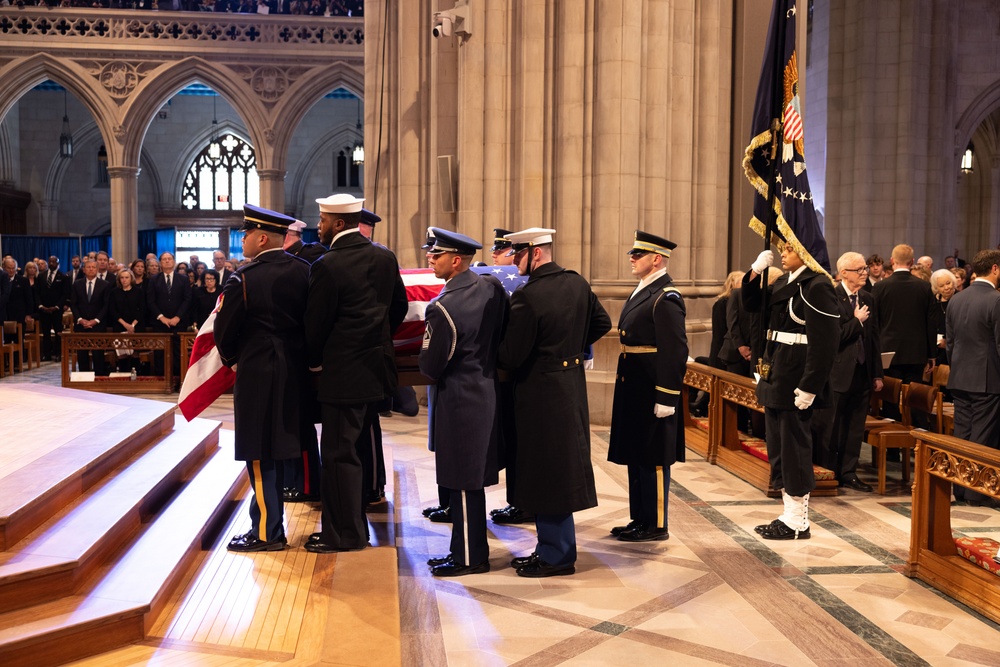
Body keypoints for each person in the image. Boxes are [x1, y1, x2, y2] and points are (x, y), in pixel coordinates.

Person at [498, 227, 611, 577]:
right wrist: (571, 349)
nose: (513, 260)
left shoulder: (527, 296)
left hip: (539, 391)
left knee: (547, 472)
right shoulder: (576, 283)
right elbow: (602, 323)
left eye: (517, 254)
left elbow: (512, 355)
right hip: (570, 385)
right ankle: (550, 548)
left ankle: (557, 556)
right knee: (560, 469)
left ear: (536, 253)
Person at [304, 193, 407, 553]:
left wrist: (315, 360)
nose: (318, 226)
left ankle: (344, 535)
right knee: (359, 448)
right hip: (376, 371)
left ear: (338, 223)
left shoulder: (328, 265)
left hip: (343, 374)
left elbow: (315, 325)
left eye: (321, 220)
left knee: (337, 454)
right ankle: (355, 527)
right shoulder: (384, 257)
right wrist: (377, 340)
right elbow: (400, 306)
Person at [215, 205, 312, 551]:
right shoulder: (305, 271)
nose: (242, 239)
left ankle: (267, 533)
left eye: (245, 234)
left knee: (259, 453)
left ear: (261, 237)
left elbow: (223, 332)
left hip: (257, 372)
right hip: (294, 371)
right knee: (283, 448)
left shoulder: (244, 277)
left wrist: (233, 361)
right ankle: (267, 526)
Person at [420, 228, 508, 576]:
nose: (429, 257)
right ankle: (464, 550)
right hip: (486, 391)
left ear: (455, 261)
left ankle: (470, 557)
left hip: (459, 399)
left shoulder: (443, 306)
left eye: (436, 254)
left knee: (463, 481)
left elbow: (430, 365)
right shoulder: (491, 288)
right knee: (468, 479)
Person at [742, 243, 839, 539]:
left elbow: (826, 342)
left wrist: (810, 385)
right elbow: (752, 305)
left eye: (789, 247)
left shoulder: (818, 284)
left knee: (795, 448)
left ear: (805, 252)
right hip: (778, 371)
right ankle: (788, 515)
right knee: (779, 448)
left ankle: (798, 522)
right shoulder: (785, 281)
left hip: (797, 376)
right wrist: (755, 272)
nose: (782, 252)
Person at [607, 231, 687, 542]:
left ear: (656, 259)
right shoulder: (645, 290)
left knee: (653, 455)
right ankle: (639, 518)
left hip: (652, 387)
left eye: (638, 254)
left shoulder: (667, 296)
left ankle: (655, 524)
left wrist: (667, 395)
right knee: (636, 452)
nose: (631, 257)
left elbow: (675, 349)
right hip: (634, 385)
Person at [818, 252, 882, 493]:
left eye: (865, 268)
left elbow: (874, 337)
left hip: (862, 372)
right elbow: (832, 337)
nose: (864, 273)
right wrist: (856, 321)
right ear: (843, 273)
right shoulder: (831, 297)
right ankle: (828, 470)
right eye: (859, 270)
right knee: (831, 425)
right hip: (837, 372)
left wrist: (876, 374)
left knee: (855, 427)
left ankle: (849, 472)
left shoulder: (868, 297)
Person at [946, 249, 1000, 508]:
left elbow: (950, 343)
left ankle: (961, 488)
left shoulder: (957, 298)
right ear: (995, 269)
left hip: (960, 378)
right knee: (982, 436)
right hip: (988, 380)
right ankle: (977, 493)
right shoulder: (996, 299)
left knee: (963, 435)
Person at [871, 244, 937, 424]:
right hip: (916, 353)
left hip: (888, 352)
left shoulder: (880, 287)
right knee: (916, 398)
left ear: (892, 261)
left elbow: (874, 323)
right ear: (912, 262)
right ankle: (917, 443)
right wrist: (932, 355)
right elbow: (931, 324)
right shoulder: (924, 287)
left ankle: (891, 450)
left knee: (890, 398)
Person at [146, 251, 192, 380]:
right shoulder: (154, 280)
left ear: (174, 261)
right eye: (164, 259)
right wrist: (161, 317)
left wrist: (178, 317)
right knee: (160, 352)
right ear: (160, 263)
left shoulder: (183, 279)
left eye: (169, 259)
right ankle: (162, 379)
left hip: (179, 322)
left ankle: (178, 378)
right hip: (160, 322)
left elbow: (187, 299)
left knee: (178, 352)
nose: (167, 261)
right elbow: (150, 301)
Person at [69, 259, 111, 375]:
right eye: (88, 267)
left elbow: (106, 305)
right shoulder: (77, 284)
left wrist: (96, 320)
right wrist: (80, 319)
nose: (91, 269)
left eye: (93, 267)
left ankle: (99, 377)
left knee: (98, 354)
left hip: (98, 325)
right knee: (82, 354)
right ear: (84, 269)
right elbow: (73, 304)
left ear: (97, 270)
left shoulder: (105, 285)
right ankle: (84, 377)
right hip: (81, 325)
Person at [38, 255, 68, 361]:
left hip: (57, 309)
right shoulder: (41, 276)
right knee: (46, 332)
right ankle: (46, 353)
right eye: (50, 262)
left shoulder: (63, 277)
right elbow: (37, 292)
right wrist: (41, 306)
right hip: (44, 309)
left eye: (54, 262)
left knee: (58, 332)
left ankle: (59, 353)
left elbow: (65, 294)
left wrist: (57, 306)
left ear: (58, 263)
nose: (51, 264)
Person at [931, 268, 958, 367]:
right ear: (936, 288)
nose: (946, 288)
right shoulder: (933, 302)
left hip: (954, 349)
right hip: (936, 350)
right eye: (941, 286)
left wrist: (948, 342)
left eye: (948, 283)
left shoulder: (960, 298)